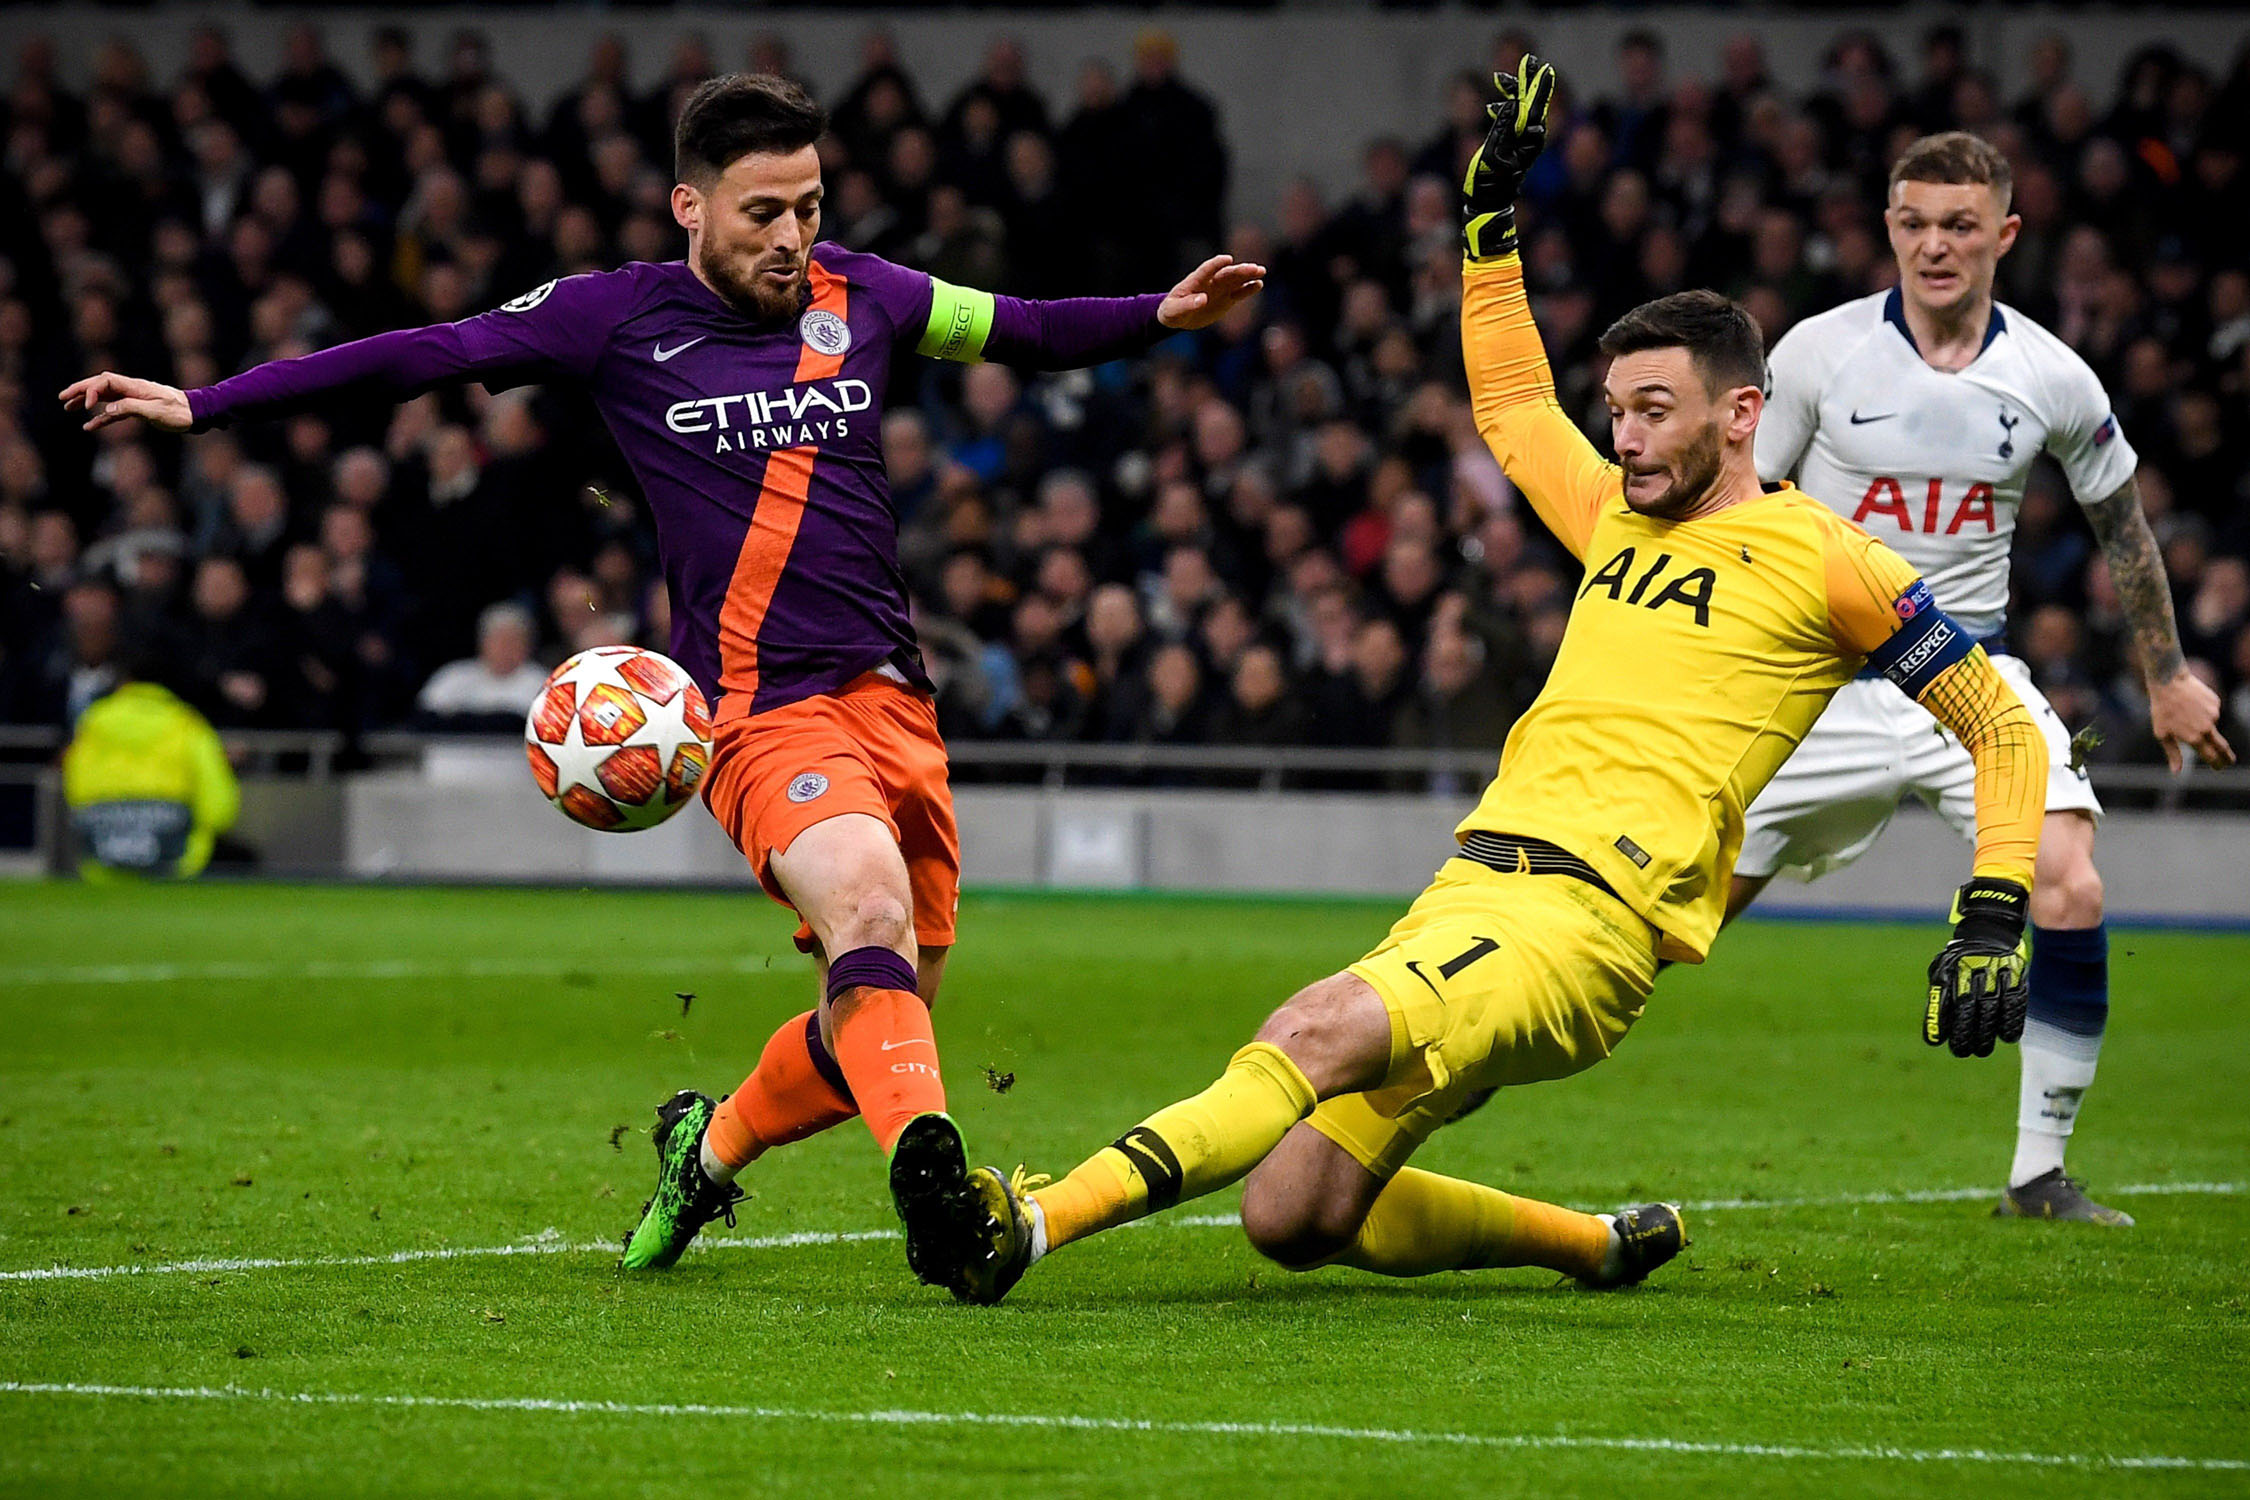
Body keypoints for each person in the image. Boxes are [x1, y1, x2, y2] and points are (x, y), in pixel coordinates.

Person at [59, 73, 1262, 1293]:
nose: (792, 237)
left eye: (808, 206)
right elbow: (425, 354)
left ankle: (710, 1146)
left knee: (880, 1015)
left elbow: (1027, 328)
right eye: (761, 214)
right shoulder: (612, 320)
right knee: (867, 912)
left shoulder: (872, 294)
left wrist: (1157, 313)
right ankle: (940, 1200)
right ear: (688, 207)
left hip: (896, 703)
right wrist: (208, 407)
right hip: (752, 710)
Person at [943, 57, 2049, 1306]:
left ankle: (1030, 1223)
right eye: (1616, 410)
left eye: (1652, 410)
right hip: (1475, 887)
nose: (1622, 437)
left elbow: (1998, 725)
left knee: (1309, 1028)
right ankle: (1599, 1245)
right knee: (1293, 1212)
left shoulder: (1830, 564)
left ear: (1743, 415)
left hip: (1583, 924)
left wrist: (1997, 904)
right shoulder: (1617, 518)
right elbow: (1515, 396)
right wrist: (1489, 228)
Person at [1741, 131, 2235, 1225]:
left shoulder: (2052, 373)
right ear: (1888, 229)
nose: (1934, 244)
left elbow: (2125, 530)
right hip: (1822, 683)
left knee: (2072, 883)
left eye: (1960, 224)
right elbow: (1739, 507)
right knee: (1657, 918)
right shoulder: (1819, 355)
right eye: (1913, 222)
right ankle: (1436, 1084)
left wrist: (2166, 678)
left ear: (2005, 234)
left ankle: (2037, 1173)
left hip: (1971, 674)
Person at [62, 652, 240, 881]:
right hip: (176, 860)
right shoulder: (186, 723)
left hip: (101, 859)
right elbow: (217, 801)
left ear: (126, 681)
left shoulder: (94, 720)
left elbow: (75, 780)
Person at [414, 600, 547, 730]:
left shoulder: (542, 682)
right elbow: (426, 718)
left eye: (514, 640)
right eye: (498, 640)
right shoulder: (453, 676)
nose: (505, 647)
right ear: (483, 642)